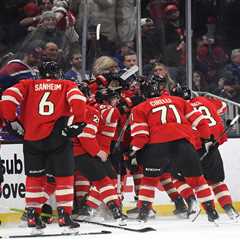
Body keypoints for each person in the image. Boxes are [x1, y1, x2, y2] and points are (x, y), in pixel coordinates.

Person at [0, 61, 87, 229]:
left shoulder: (27, 84)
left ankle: (32, 216)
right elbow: (79, 100)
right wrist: (79, 121)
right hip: (58, 137)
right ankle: (64, 216)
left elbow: (7, 98)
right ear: (57, 73)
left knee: (34, 178)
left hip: (32, 138)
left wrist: (12, 120)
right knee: (64, 177)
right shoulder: (66, 84)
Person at [128, 79, 219, 222]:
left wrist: (133, 151)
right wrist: (207, 139)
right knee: (198, 180)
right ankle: (211, 212)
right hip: (183, 144)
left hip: (156, 147)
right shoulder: (178, 101)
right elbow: (201, 122)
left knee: (149, 181)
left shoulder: (139, 108)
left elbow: (141, 136)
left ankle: (143, 214)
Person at [172, 85, 239, 221]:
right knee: (216, 181)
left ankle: (193, 201)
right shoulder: (204, 100)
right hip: (212, 146)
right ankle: (229, 209)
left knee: (177, 178)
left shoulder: (179, 108)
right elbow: (223, 106)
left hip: (192, 147)